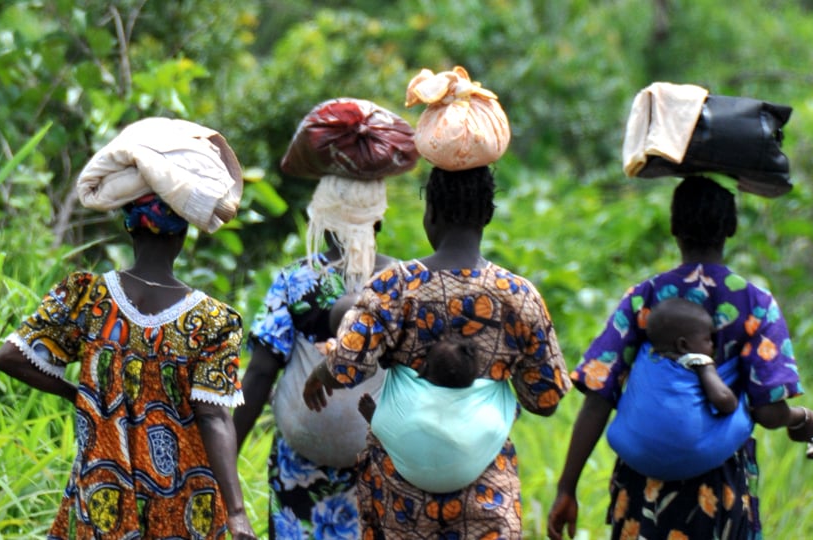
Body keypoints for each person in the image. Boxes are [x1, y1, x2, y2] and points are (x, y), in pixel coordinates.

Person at [0, 118, 256, 539]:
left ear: (129, 225)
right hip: (184, 505)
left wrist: (83, 395)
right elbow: (214, 419)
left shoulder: (86, 297)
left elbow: (10, 357)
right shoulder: (211, 321)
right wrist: (238, 511)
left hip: (101, 495)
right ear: (182, 234)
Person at [547, 176, 813, 540]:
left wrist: (567, 487)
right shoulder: (757, 305)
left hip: (642, 492)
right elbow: (768, 412)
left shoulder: (644, 297)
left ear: (673, 227)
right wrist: (804, 420)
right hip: (719, 489)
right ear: (731, 227)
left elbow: (598, 396)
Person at [303, 164, 572, 538]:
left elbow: (349, 363)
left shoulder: (394, 286)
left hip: (399, 496)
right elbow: (545, 400)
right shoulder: (520, 295)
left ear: (430, 212)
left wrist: (319, 375)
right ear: (488, 214)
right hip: (485, 493)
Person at [233, 98, 416, 539]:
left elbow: (259, 374)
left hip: (303, 481)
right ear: (378, 219)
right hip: (385, 475)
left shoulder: (297, 280)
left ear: (322, 214)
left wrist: (221, 467)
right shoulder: (405, 282)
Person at [646, 296, 737, 414]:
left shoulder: (649, 356)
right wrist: (706, 368)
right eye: (708, 339)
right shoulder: (698, 361)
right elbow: (725, 401)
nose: (713, 345)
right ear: (683, 345)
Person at [356, 337, 480, 422]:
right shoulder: (481, 401)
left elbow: (400, 440)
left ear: (427, 374)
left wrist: (375, 420)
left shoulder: (422, 417)